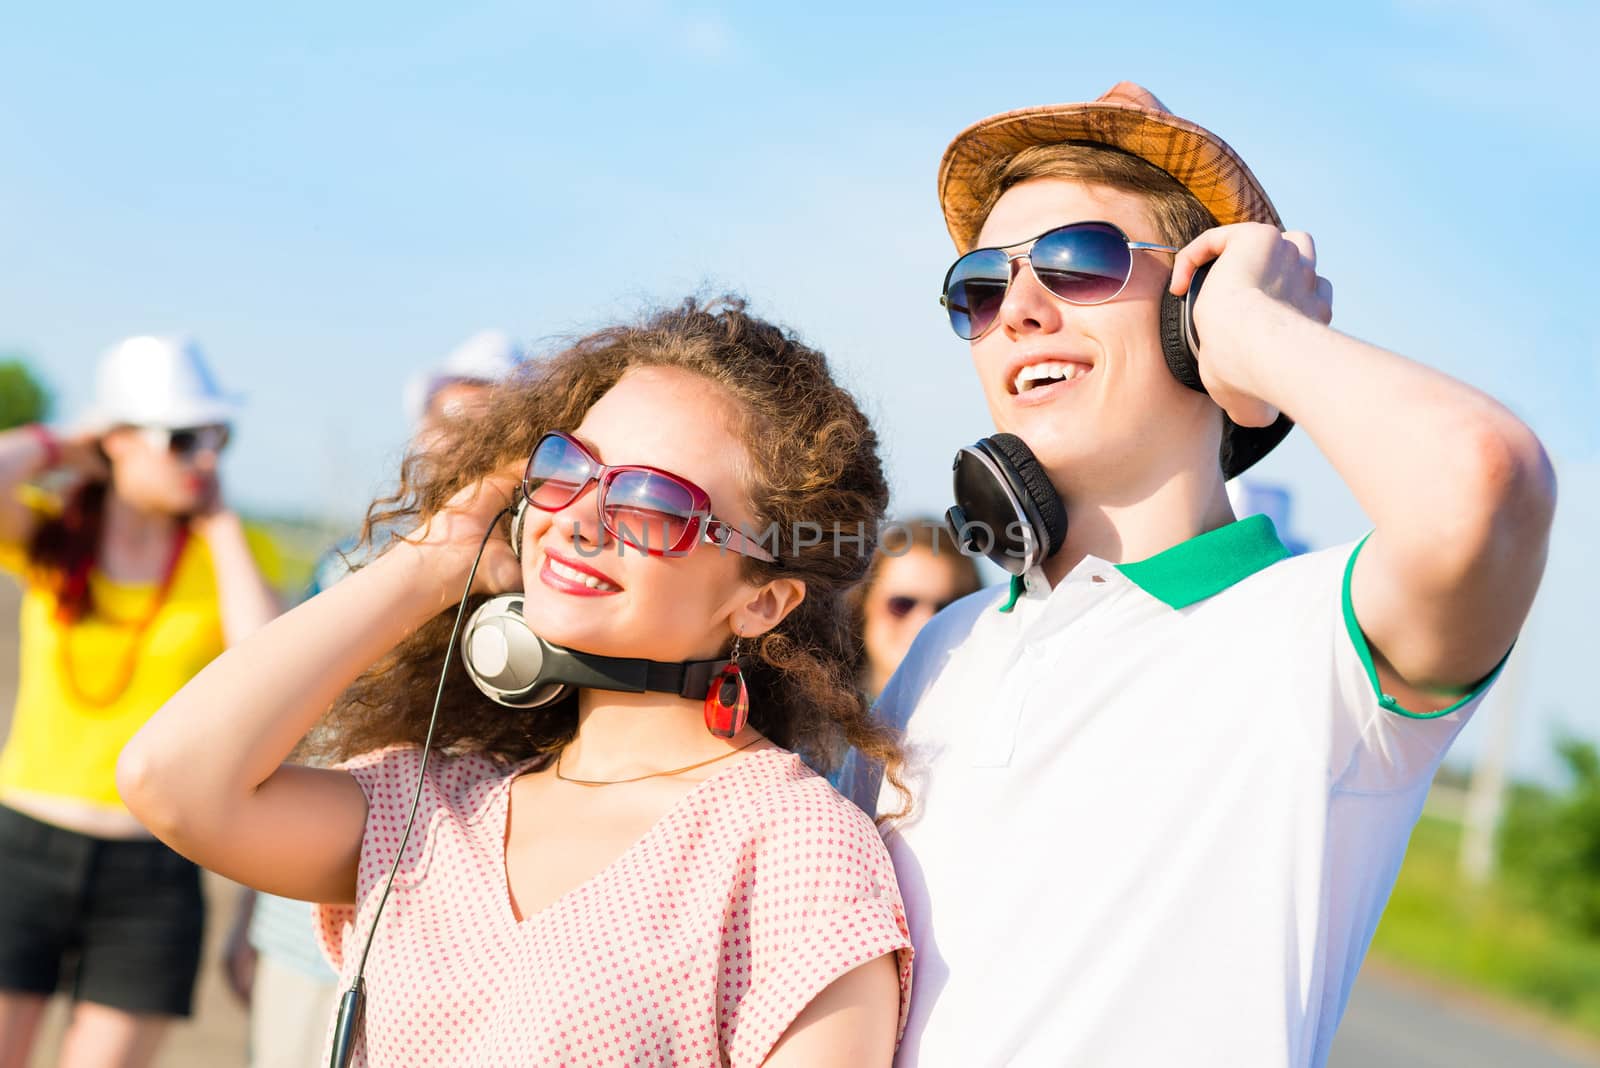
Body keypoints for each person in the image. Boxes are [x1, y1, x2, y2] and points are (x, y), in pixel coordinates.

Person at [864, 83, 1555, 1066]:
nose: (1016, 308)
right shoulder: (943, 647)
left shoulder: (1319, 639)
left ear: (1197, 310)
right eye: (980, 284)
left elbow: (1486, 484)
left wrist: (1264, 336)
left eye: (1079, 262)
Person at [119, 298, 914, 1066]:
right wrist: (436, 559)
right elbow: (172, 780)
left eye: (652, 500)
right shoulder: (433, 812)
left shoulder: (792, 849)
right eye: (568, 467)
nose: (578, 518)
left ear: (762, 598)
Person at [221, 327, 527, 1068]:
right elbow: (288, 731)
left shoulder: (537, 591)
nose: (457, 445)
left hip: (445, 937)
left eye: (486, 426)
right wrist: (244, 910)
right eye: (445, 423)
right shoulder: (349, 565)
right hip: (301, 926)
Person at [0, 336, 280, 1068]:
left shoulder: (229, 554)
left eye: (219, 438)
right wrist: (63, 442)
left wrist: (217, 522)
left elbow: (267, 671)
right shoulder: (55, 537)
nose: (206, 459)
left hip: (152, 870)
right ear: (116, 441)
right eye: (182, 439)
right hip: (20, 844)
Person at [854, 518, 982, 701]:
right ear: (864, 603)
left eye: (946, 608)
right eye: (902, 604)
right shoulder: (816, 719)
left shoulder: (992, 716)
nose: (924, 621)